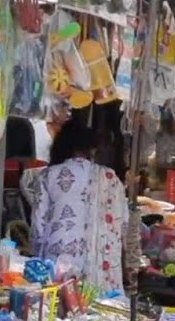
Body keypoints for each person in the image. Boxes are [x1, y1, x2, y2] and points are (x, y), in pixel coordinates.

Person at [21, 117, 128, 296]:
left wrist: (37, 262)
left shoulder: (48, 176)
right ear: (92, 149)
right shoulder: (111, 178)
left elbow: (38, 228)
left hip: (59, 268)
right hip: (103, 272)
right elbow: (124, 225)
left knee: (60, 315)